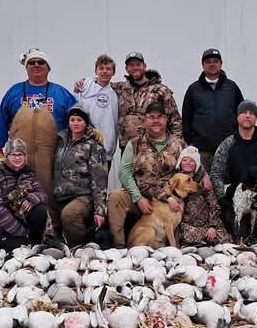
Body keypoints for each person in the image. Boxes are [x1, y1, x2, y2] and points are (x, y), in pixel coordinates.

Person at [0, 48, 76, 199]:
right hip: (19, 157)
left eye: (41, 62)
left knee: (50, 193)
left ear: (48, 68)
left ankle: (53, 222)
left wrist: (92, 132)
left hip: (51, 156)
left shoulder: (61, 93)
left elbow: (78, 118)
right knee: (19, 193)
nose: (36, 65)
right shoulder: (14, 92)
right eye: (32, 62)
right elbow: (1, 122)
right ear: (26, 67)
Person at [108, 102, 183, 246]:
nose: (156, 121)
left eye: (160, 117)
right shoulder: (134, 143)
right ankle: (119, 247)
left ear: (166, 120)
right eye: (151, 117)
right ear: (145, 120)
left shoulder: (178, 144)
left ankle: (180, 242)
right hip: (140, 196)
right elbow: (124, 173)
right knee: (115, 196)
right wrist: (138, 198)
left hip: (166, 201)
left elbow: (188, 168)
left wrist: (203, 176)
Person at [210, 101, 257, 239]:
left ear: (256, 117)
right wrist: (222, 198)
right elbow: (216, 173)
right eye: (244, 112)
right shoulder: (227, 143)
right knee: (240, 234)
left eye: (252, 113)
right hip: (237, 192)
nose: (248, 116)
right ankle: (248, 230)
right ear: (238, 116)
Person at [0, 139, 48, 253]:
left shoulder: (28, 174)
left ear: (25, 156)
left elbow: (43, 194)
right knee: (21, 247)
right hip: (0, 227)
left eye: (20, 154)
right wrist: (20, 231)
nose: (17, 158)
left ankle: (35, 244)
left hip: (20, 225)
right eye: (13, 155)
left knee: (40, 210)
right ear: (7, 156)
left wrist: (32, 199)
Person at [52, 106, 109, 246]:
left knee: (70, 214)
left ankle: (79, 249)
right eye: (72, 120)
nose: (75, 123)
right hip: (60, 196)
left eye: (79, 120)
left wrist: (100, 211)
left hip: (83, 196)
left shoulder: (94, 146)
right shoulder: (60, 142)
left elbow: (100, 180)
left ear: (86, 123)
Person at [181, 48, 244, 172]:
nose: (212, 64)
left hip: (228, 148)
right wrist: (191, 142)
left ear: (221, 64)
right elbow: (186, 118)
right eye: (208, 61)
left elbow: (242, 114)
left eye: (215, 61)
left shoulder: (232, 87)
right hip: (202, 151)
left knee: (227, 185)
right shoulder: (193, 89)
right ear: (202, 65)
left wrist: (239, 139)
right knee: (204, 186)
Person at [114, 52, 182, 156]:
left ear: (144, 66)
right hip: (128, 147)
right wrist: (87, 81)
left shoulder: (160, 90)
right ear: (126, 69)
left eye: (138, 64)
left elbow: (175, 119)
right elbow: (102, 83)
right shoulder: (121, 88)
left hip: (153, 147)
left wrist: (177, 144)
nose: (135, 68)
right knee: (126, 172)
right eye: (131, 65)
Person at [166, 146, 229, 246]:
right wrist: (168, 198)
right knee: (190, 238)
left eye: (192, 161)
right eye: (184, 160)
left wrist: (212, 226)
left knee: (227, 243)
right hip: (189, 226)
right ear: (180, 163)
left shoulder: (204, 182)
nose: (187, 163)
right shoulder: (174, 179)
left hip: (208, 224)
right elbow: (162, 191)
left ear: (197, 164)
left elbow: (214, 205)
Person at [73, 54, 119, 160]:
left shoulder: (116, 94)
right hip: (83, 148)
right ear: (96, 71)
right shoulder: (83, 89)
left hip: (105, 150)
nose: (104, 71)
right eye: (101, 68)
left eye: (108, 69)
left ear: (113, 72)